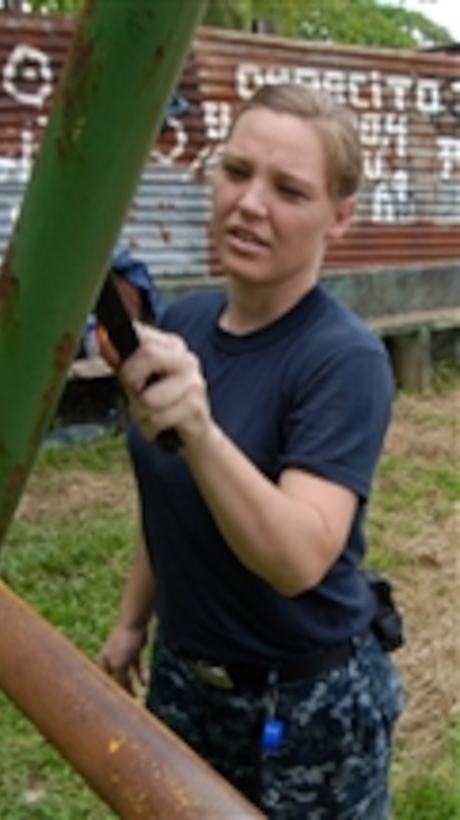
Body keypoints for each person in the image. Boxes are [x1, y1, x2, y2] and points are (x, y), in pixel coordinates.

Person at [98, 82, 404, 818]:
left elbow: (298, 557)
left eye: (288, 190)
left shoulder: (343, 360)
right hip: (184, 677)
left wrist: (202, 432)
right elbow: (169, 498)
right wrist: (133, 620)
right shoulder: (189, 321)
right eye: (236, 172)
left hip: (301, 704)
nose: (250, 204)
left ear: (340, 216)